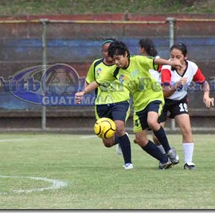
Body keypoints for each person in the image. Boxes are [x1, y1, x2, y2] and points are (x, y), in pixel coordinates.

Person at [75, 40, 180, 170]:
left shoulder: (137, 60)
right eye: (114, 60)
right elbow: (97, 82)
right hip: (138, 104)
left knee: (152, 122)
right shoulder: (114, 71)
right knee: (140, 139)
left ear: (126, 54)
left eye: (118, 58)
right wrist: (83, 91)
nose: (117, 62)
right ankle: (164, 160)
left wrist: (171, 63)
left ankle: (169, 150)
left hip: (153, 96)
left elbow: (155, 62)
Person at [159, 43, 214, 170]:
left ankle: (188, 162)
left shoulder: (192, 67)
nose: (174, 60)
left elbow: (204, 83)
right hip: (162, 100)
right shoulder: (166, 67)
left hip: (179, 101)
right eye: (172, 56)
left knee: (186, 129)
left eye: (178, 57)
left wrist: (206, 95)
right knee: (157, 136)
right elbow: (165, 92)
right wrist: (176, 85)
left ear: (185, 57)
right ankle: (164, 158)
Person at [84, 39, 133, 169]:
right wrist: (83, 92)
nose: (108, 53)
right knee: (107, 142)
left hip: (120, 100)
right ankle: (122, 139)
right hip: (101, 103)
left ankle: (128, 163)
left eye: (109, 51)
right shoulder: (96, 64)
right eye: (105, 51)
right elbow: (89, 80)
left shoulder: (122, 65)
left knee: (119, 127)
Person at [138, 38, 166, 154]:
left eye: (140, 48)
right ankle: (164, 156)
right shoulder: (139, 61)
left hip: (157, 98)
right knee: (142, 137)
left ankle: (167, 153)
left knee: (156, 135)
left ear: (143, 49)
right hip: (144, 99)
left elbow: (164, 77)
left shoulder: (157, 62)